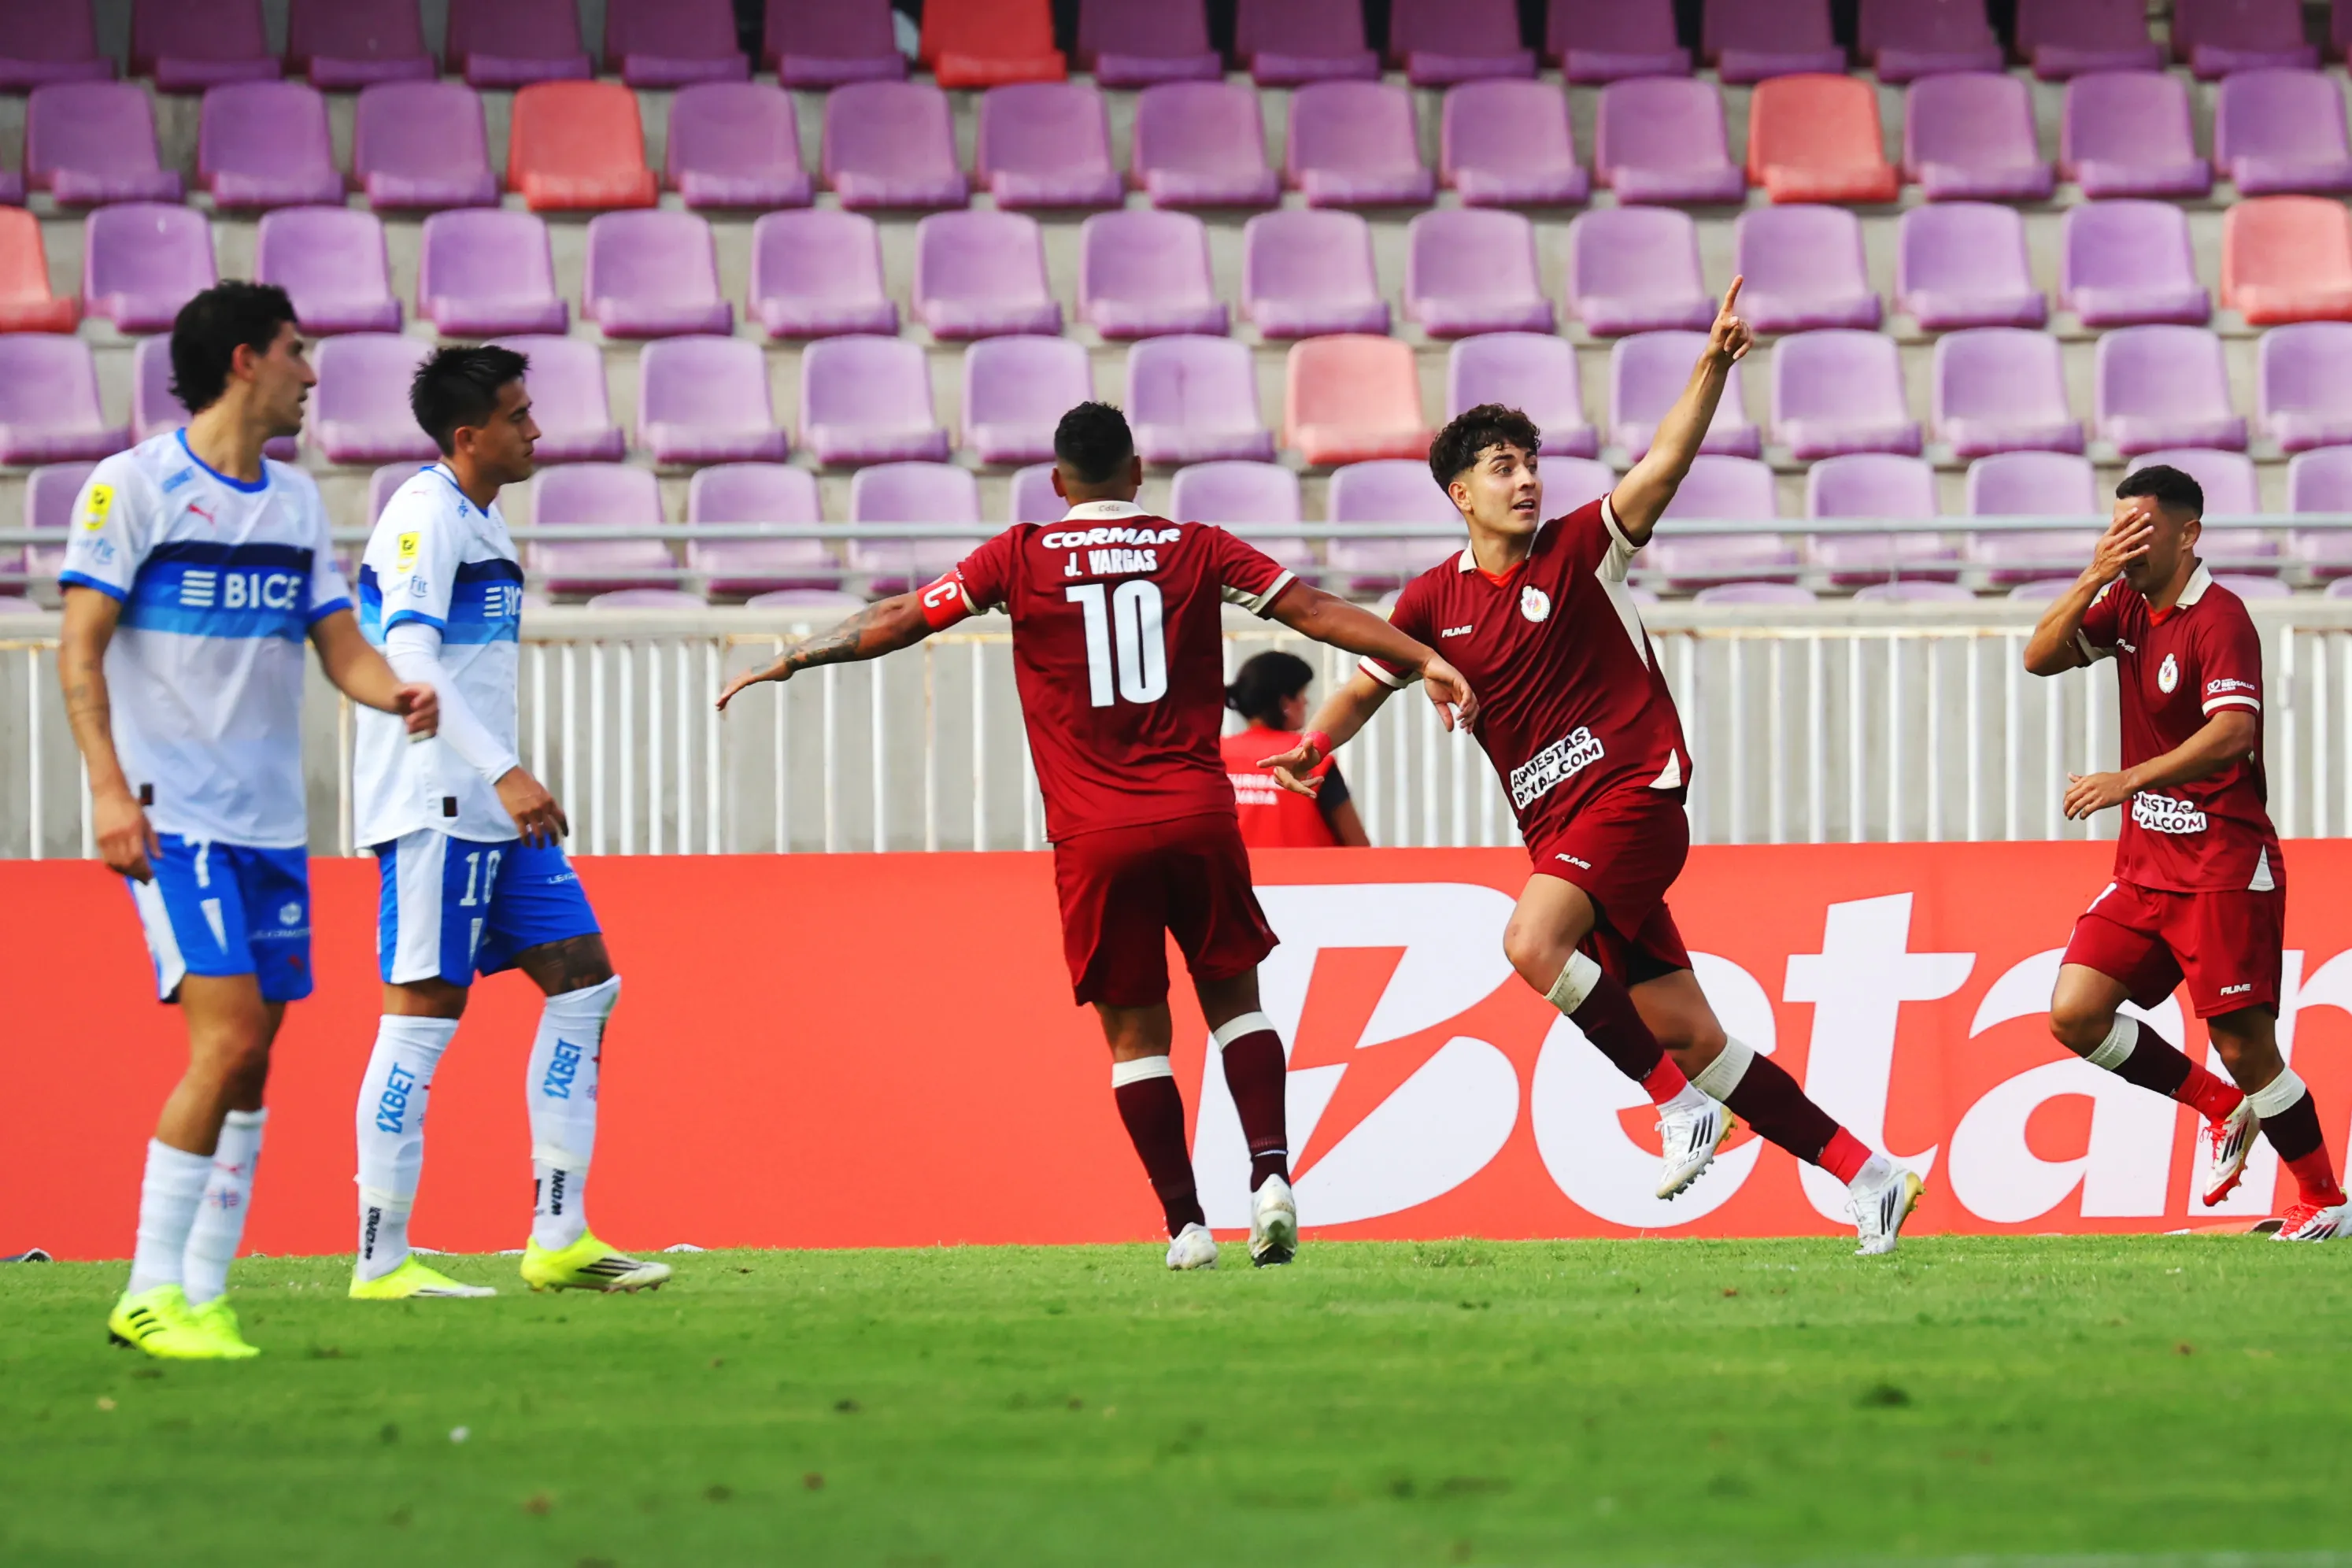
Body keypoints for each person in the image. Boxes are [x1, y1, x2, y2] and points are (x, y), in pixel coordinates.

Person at [719, 403, 1477, 1270]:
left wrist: (793, 658)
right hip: (1197, 813)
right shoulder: (1198, 546)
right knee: (1238, 1005)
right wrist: (1422, 658)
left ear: (1056, 483)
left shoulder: (1018, 556)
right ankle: (1271, 1176)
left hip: (1095, 833)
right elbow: (1312, 609)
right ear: (1139, 470)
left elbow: (901, 620)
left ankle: (1186, 1226)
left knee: (1135, 1041)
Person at [1265, 280, 1925, 1256]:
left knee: (1531, 943)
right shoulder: (1428, 602)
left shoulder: (1583, 549)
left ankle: (1677, 1111)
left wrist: (1711, 367)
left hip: (1633, 796)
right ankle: (1869, 1177)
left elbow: (1662, 465)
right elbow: (1367, 684)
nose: (1527, 480)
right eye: (1503, 468)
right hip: (1567, 834)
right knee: (1694, 1037)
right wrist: (1317, 745)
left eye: (1531, 463)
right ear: (1461, 493)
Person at [59, 283, 439, 1359]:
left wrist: (394, 690)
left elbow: (337, 644)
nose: (312, 375)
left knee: (256, 1054)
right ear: (243, 362)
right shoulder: (129, 488)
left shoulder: (292, 503)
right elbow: (79, 649)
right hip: (174, 817)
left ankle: (204, 1296)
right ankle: (145, 1291)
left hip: (273, 827)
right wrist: (103, 787)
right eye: (297, 350)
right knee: (223, 1040)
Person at [346, 345, 671, 1299]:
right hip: (435, 806)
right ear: (468, 435)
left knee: (585, 984)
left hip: (490, 809)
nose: (537, 431)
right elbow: (411, 659)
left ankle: (559, 1236)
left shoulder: (481, 522)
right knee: (421, 1019)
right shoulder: (421, 517)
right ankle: (380, 1256)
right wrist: (509, 771)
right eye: (520, 416)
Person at [2023, 465, 2347, 1241]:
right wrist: (2093, 574)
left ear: (2188, 533)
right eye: (2118, 529)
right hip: (2145, 868)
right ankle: (2217, 1108)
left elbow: (2234, 732)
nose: (2128, 544)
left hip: (2221, 866)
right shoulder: (2126, 602)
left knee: (2245, 1045)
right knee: (2074, 1013)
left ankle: (2325, 1200)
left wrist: (2128, 778)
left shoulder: (2221, 617)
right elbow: (2038, 657)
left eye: (2142, 531)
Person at [1222, 651, 1370, 848]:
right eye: (1302, 694)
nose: (1306, 702)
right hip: (1305, 877)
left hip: (1233, 877)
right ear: (1285, 703)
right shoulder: (1309, 756)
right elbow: (1358, 844)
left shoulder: (1215, 754)